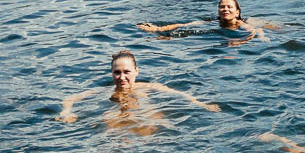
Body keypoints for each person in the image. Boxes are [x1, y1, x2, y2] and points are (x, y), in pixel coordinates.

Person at [58, 49, 220, 125]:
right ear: (111, 73)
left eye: (126, 72)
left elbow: (178, 94)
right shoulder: (105, 91)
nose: (122, 77)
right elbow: (70, 99)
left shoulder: (147, 86)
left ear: (136, 71)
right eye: (117, 72)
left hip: (145, 118)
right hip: (116, 120)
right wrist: (66, 112)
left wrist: (200, 104)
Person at [139, 0, 274, 41]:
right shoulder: (213, 22)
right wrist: (158, 29)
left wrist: (241, 42)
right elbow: (184, 25)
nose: (225, 9)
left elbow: (254, 31)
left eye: (229, 7)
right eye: (222, 7)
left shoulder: (240, 24)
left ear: (237, 12)